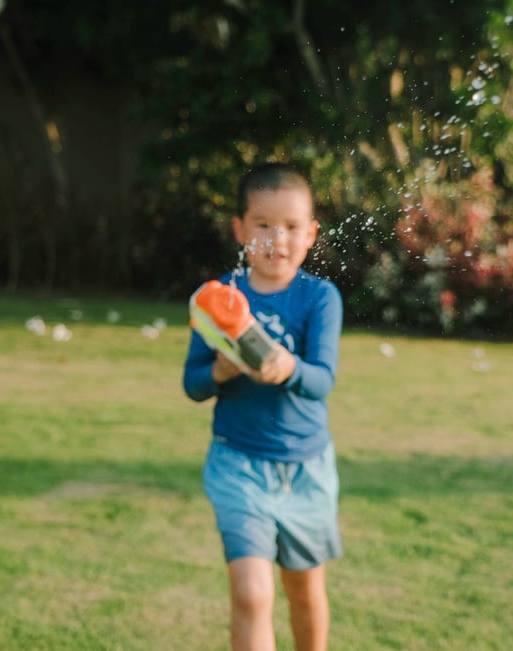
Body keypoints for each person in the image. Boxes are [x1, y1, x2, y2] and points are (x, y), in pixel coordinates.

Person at [183, 162, 343, 651]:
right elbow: (193, 384)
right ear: (240, 229)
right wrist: (221, 372)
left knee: (303, 590)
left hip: (305, 472)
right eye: (264, 225)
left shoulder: (319, 298)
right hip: (238, 466)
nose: (278, 239)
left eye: (292, 227)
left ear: (311, 233)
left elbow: (322, 380)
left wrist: (286, 368)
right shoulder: (218, 299)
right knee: (252, 595)